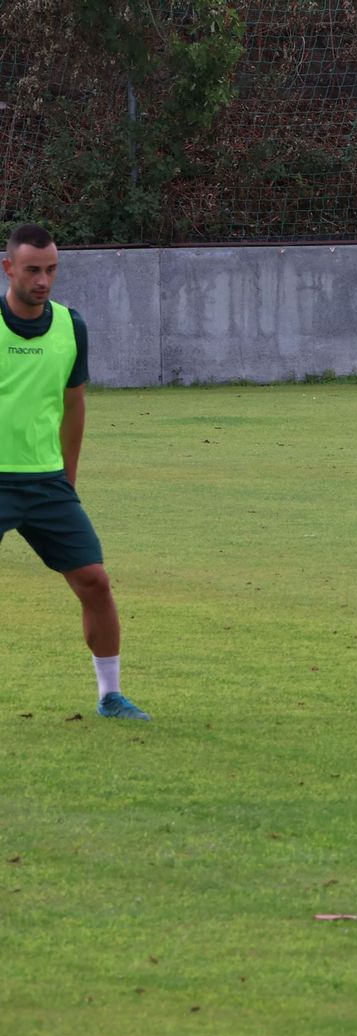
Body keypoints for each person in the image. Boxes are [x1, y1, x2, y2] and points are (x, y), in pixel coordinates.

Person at [1, 224, 148, 721]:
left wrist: (68, 477)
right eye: (32, 270)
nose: (43, 281)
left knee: (95, 581)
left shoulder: (71, 325)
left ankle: (111, 696)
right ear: (9, 269)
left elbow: (74, 404)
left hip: (46, 483)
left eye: (51, 270)